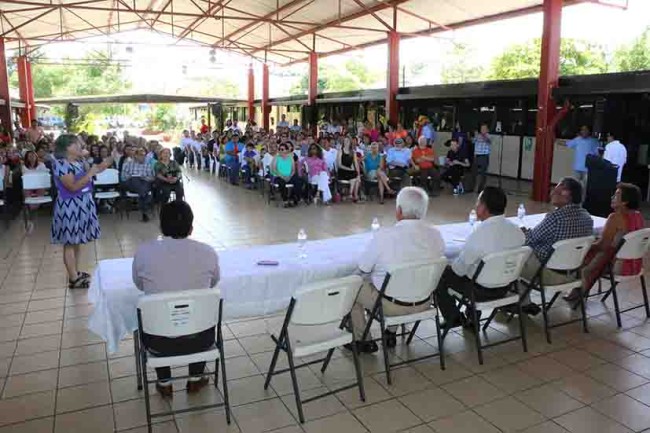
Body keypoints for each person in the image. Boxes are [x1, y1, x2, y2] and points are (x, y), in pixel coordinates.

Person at [132, 201, 220, 397]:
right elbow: (213, 284)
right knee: (199, 315)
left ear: (161, 226)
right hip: (201, 340)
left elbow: (140, 285)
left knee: (157, 317)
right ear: (191, 227)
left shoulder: (144, 252)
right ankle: (195, 379)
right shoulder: (208, 252)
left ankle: (164, 382)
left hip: (158, 343)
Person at [351, 187, 444, 352]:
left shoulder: (384, 236)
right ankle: (390, 333)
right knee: (404, 281)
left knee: (352, 287)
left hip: (390, 307)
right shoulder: (436, 235)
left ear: (399, 211)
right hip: (424, 302)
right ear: (423, 211)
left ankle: (363, 340)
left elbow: (362, 270)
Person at [436, 187, 525, 328]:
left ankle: (453, 317)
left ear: (483, 207)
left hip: (480, 292)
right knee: (479, 269)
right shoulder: (517, 231)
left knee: (442, 274)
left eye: (478, 202)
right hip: (505, 287)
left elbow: (459, 270)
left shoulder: (480, 234)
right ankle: (472, 318)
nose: (476, 205)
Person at [520, 177, 594, 306]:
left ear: (566, 194)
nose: (552, 193)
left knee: (515, 256)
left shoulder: (555, 218)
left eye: (556, 190)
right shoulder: (587, 217)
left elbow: (529, 239)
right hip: (573, 275)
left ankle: (521, 303)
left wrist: (523, 232)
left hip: (548, 274)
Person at [566, 183, 644, 305]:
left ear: (625, 201)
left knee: (579, 253)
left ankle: (579, 293)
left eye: (617, 195)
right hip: (633, 263)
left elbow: (602, 245)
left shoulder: (615, 218)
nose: (612, 197)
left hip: (614, 263)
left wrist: (587, 244)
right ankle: (577, 293)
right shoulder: (638, 216)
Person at [51, 134, 111, 289]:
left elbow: (89, 175)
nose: (80, 147)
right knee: (70, 243)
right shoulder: (61, 164)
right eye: (76, 144)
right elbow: (72, 186)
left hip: (82, 204)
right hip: (70, 206)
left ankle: (75, 272)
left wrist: (102, 166)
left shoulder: (77, 162)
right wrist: (90, 174)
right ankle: (73, 278)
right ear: (67, 147)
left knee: (76, 241)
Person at [122, 147, 155, 222]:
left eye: (144, 155)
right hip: (131, 182)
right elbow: (124, 176)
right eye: (140, 155)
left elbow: (152, 177)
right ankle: (145, 203)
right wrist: (131, 176)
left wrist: (145, 178)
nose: (143, 157)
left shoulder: (147, 165)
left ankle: (144, 211)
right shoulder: (128, 164)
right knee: (136, 179)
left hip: (144, 182)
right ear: (135, 156)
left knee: (144, 184)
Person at [271, 142, 304, 207]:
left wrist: (290, 176)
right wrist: (282, 176)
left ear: (286, 150)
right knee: (281, 182)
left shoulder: (290, 158)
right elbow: (274, 169)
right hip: (279, 176)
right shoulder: (276, 158)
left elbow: (293, 170)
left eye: (282, 149)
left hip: (289, 176)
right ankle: (285, 199)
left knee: (299, 181)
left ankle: (293, 197)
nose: (280, 151)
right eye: (279, 149)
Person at [336, 137, 361, 202]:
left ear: (350, 142)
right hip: (342, 170)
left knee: (357, 177)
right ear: (343, 142)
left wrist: (358, 174)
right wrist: (349, 169)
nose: (347, 142)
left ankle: (351, 194)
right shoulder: (340, 151)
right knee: (354, 176)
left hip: (351, 171)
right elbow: (339, 165)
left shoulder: (353, 152)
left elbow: (356, 164)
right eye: (345, 141)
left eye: (348, 141)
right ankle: (354, 196)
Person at [472, 123, 491, 193]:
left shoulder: (488, 136)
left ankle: (481, 189)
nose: (482, 130)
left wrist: (483, 136)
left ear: (487, 130)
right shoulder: (478, 136)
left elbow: (488, 141)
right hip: (477, 156)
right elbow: (473, 142)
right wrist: (475, 136)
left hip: (484, 156)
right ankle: (473, 187)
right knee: (474, 172)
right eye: (481, 128)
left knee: (483, 173)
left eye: (484, 128)